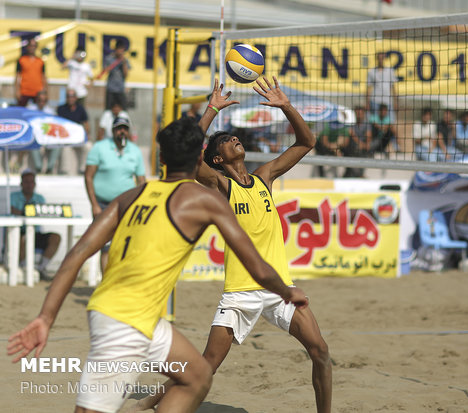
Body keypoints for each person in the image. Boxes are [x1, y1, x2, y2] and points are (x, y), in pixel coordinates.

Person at [7, 116, 309, 413]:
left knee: (198, 375)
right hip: (122, 319)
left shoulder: (130, 196)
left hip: (140, 318)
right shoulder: (204, 200)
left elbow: (77, 254)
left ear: (161, 157)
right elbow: (256, 265)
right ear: (199, 161)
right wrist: (286, 290)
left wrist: (46, 317)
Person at [133, 77, 331, 413]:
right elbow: (186, 154)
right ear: (217, 159)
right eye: (225, 141)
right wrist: (211, 110)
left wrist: (285, 105)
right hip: (240, 292)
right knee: (206, 364)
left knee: (321, 352)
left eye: (234, 137)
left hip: (279, 288)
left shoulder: (264, 177)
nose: (234, 139)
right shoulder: (219, 185)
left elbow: (307, 141)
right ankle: (147, 404)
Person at [85, 116, 145, 271]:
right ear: (112, 131)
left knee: (125, 245)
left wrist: (141, 204)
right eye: (119, 129)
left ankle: (118, 283)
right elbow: (88, 176)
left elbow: (141, 181)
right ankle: (106, 284)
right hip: (103, 203)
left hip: (127, 204)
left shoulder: (135, 151)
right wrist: (94, 205)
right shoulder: (100, 147)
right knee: (105, 246)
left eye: (125, 128)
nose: (122, 132)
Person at [10, 169, 61, 281]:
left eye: (31, 182)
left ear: (35, 184)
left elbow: (43, 213)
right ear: (21, 183)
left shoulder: (40, 198)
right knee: (23, 238)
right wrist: (29, 212)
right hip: (19, 232)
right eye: (26, 182)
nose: (29, 185)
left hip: (35, 232)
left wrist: (24, 212)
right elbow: (12, 210)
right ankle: (24, 268)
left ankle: (40, 269)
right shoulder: (13, 196)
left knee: (55, 237)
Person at [26, 90, 61, 174]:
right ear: (36, 100)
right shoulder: (30, 110)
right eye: (39, 100)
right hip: (35, 137)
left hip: (47, 137)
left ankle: (49, 168)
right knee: (33, 144)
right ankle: (39, 168)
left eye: (44, 101)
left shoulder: (50, 111)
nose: (41, 103)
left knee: (58, 145)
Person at [57, 89, 90, 174]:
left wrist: (87, 134)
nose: (70, 98)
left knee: (88, 146)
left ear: (75, 98)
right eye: (68, 96)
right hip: (65, 137)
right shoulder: (61, 109)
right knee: (65, 149)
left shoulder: (80, 109)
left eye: (72, 96)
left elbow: (86, 123)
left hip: (78, 137)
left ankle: (83, 169)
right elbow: (57, 124)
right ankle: (65, 171)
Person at [15, 38, 47, 107]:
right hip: (24, 91)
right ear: (27, 47)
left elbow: (44, 77)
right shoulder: (21, 60)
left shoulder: (40, 61)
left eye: (34, 46)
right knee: (21, 111)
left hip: (38, 92)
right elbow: (17, 76)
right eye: (31, 45)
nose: (32, 48)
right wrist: (17, 91)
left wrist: (45, 92)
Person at [342, 106, 373, 178]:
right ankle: (359, 175)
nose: (359, 115)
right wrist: (361, 144)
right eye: (357, 113)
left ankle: (358, 174)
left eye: (360, 113)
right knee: (354, 148)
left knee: (371, 146)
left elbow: (368, 136)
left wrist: (366, 144)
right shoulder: (351, 123)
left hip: (363, 147)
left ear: (363, 114)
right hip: (352, 147)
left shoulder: (366, 124)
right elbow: (352, 135)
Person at [366, 51, 398, 119]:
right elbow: (368, 88)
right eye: (379, 58)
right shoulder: (372, 71)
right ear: (377, 59)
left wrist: (395, 101)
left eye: (382, 58)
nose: (381, 60)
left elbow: (393, 87)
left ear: (384, 59)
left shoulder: (390, 70)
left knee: (391, 121)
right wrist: (367, 103)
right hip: (375, 100)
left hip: (387, 100)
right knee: (375, 121)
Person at [102, 40, 131, 109]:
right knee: (108, 110)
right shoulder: (109, 58)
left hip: (120, 89)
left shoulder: (125, 60)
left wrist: (123, 62)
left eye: (122, 50)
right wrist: (116, 62)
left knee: (123, 109)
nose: (121, 52)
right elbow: (106, 70)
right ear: (116, 49)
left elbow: (126, 75)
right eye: (119, 49)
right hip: (111, 89)